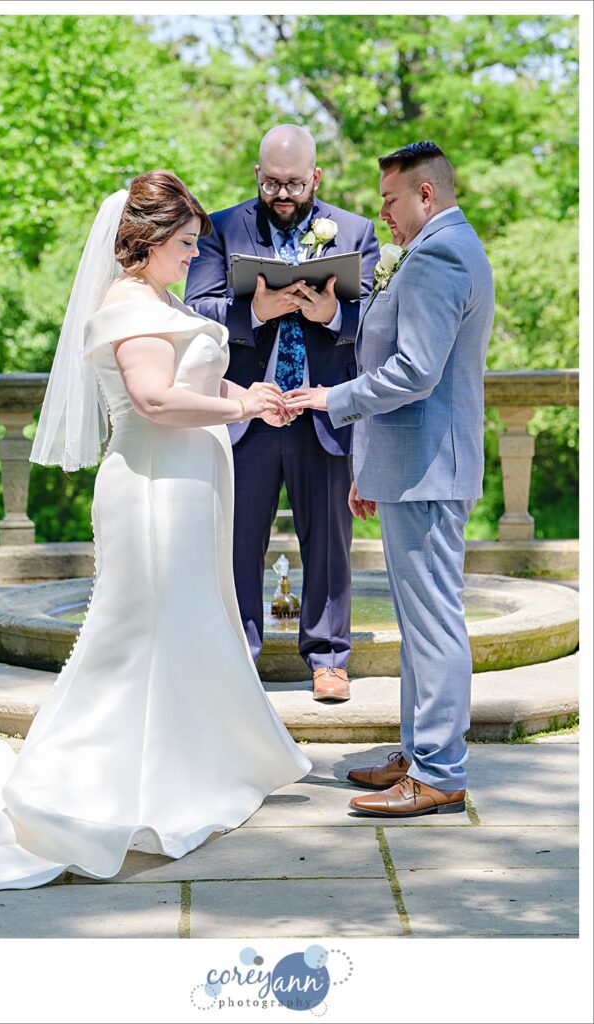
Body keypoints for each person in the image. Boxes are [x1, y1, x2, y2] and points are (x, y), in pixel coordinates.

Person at [0, 170, 311, 893]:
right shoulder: (126, 304)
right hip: (153, 491)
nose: (193, 255)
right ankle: (86, 787)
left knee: (187, 626)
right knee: (136, 636)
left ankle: (191, 771)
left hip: (186, 488)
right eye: (185, 243)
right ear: (145, 240)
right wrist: (240, 414)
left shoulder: (160, 298)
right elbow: (154, 398)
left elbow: (192, 379)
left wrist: (248, 394)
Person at [285, 142, 495, 817]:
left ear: (426, 195)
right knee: (419, 622)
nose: (383, 214)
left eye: (391, 200)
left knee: (434, 625)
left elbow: (416, 372)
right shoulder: (446, 248)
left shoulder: (438, 254)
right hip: (411, 467)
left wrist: (332, 400)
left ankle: (439, 772)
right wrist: (367, 465)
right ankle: (420, 750)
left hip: (429, 471)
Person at [184, 125, 380, 703]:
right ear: (257, 175)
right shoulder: (220, 228)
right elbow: (196, 311)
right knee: (237, 541)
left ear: (316, 176)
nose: (284, 193)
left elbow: (377, 320)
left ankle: (328, 659)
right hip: (248, 410)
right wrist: (258, 310)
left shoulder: (355, 231)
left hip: (322, 410)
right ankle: (238, 657)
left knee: (329, 541)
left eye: (295, 183)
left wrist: (332, 318)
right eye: (272, 182)